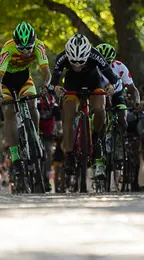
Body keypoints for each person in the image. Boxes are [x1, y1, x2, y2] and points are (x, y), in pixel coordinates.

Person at [51, 33, 118, 180]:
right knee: (69, 114)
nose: (77, 66)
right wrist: (56, 87)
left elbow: (111, 75)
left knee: (100, 109)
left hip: (93, 82)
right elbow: (54, 78)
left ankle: (96, 136)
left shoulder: (95, 55)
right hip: (72, 84)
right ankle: (69, 154)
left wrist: (111, 86)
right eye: (73, 63)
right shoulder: (62, 57)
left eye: (81, 62)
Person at [0, 22, 50, 187]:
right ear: (15, 43)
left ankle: (35, 137)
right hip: (5, 81)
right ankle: (15, 153)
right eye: (21, 49)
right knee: (9, 111)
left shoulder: (39, 46)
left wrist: (45, 86)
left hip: (24, 78)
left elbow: (46, 72)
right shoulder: (8, 48)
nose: (25, 52)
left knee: (32, 103)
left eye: (28, 48)